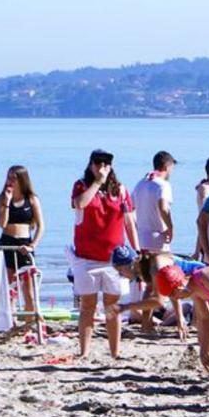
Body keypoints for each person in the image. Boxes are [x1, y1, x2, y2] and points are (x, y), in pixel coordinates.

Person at [71, 149, 138, 358]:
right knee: (88, 306)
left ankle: (115, 351)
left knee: (113, 306)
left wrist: (136, 252)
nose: (102, 168)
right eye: (97, 164)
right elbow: (80, 203)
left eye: (106, 164)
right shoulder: (81, 185)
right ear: (90, 165)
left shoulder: (120, 190)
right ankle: (84, 351)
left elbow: (129, 222)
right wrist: (98, 183)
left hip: (114, 259)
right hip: (86, 258)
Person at [0, 165, 45, 324]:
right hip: (8, 242)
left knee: (28, 290)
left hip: (24, 243)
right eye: (8, 177)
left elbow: (41, 226)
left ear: (21, 180)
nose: (10, 181)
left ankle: (30, 323)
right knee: (10, 288)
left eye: (13, 178)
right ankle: (11, 323)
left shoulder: (31, 199)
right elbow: (2, 223)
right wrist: (7, 202)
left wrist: (33, 245)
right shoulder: (2, 198)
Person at [134, 151, 176, 253]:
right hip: (158, 240)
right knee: (162, 267)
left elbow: (130, 209)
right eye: (172, 168)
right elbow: (163, 208)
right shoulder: (163, 185)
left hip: (141, 240)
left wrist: (137, 228)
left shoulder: (140, 184)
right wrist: (170, 228)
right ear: (167, 167)